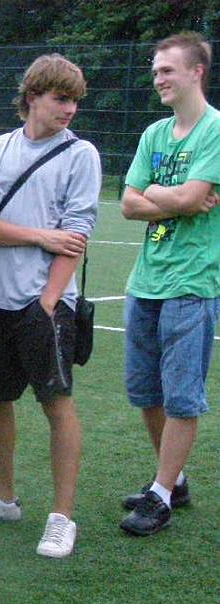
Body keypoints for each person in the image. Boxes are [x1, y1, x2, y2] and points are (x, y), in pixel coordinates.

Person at [0, 54, 101, 559]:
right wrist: (41, 235)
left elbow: (75, 236)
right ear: (33, 96)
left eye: (75, 100)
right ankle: (3, 498)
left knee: (56, 403)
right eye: (61, 98)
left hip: (48, 305)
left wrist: (48, 302)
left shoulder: (81, 155)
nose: (70, 109)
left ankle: (62, 518)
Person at [118, 32, 219, 536]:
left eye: (167, 70)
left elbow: (194, 197)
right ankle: (172, 481)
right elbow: (128, 203)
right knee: (146, 391)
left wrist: (159, 194)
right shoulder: (154, 134)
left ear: (196, 72)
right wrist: (171, 195)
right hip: (146, 281)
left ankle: (160, 494)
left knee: (181, 396)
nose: (158, 78)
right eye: (155, 70)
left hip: (191, 283)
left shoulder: (215, 130)